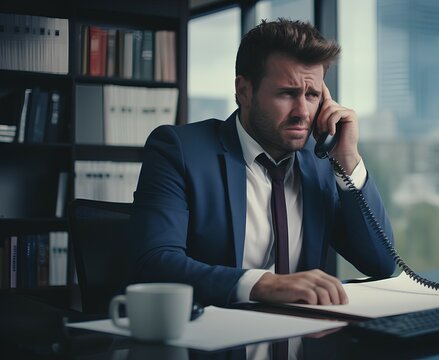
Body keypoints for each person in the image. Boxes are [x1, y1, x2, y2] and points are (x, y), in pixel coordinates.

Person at [128, 18, 396, 307]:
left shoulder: (320, 163)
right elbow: (154, 264)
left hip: (304, 345)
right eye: (287, 93)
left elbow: (380, 263)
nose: (302, 112)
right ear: (244, 91)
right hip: (218, 344)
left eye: (312, 95)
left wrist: (348, 159)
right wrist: (262, 284)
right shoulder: (179, 151)